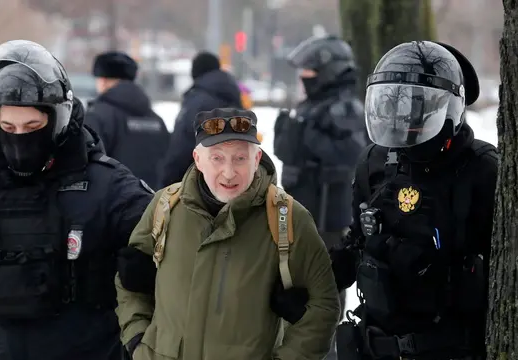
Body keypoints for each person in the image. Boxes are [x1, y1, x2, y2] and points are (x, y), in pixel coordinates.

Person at [0, 40, 154, 360]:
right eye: (8, 127)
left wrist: (144, 272)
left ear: (57, 118)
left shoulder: (110, 188)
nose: (20, 137)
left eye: (33, 126)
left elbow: (171, 264)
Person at [116, 107, 340, 360]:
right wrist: (137, 340)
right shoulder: (165, 207)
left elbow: (323, 306)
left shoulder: (288, 218)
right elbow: (129, 283)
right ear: (198, 160)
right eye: (217, 158)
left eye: (240, 158)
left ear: (256, 160)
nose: (229, 172)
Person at [330, 41, 498, 360]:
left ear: (447, 109)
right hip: (374, 344)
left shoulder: (480, 169)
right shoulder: (373, 163)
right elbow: (358, 241)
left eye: (417, 107)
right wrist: (317, 279)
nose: (403, 119)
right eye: (393, 105)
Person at [273, 36, 366, 357]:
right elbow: (287, 153)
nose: (304, 82)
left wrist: (307, 135)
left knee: (324, 282)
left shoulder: (345, 108)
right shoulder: (310, 107)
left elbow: (351, 155)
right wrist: (288, 131)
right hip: (299, 210)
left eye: (310, 76)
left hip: (327, 216)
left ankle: (325, 343)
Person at [84, 51, 169, 189]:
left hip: (112, 203)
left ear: (103, 81)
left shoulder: (98, 115)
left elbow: (86, 163)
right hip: (152, 203)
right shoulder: (156, 120)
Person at [158, 52, 243, 188]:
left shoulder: (198, 102)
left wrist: (167, 183)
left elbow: (182, 145)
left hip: (196, 187)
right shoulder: (233, 99)